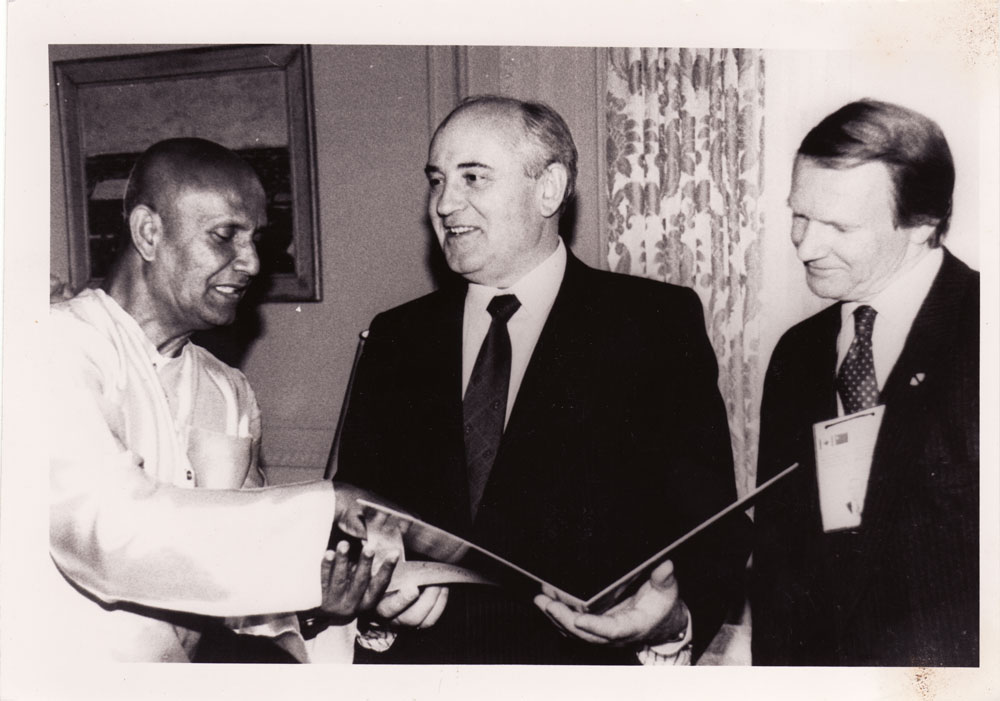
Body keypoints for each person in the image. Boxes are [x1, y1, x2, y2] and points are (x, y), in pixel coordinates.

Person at [335, 96, 751, 664]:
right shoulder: (396, 336)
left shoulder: (652, 324)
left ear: (549, 189)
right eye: (437, 181)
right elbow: (356, 515)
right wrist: (373, 608)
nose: (445, 204)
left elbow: (710, 526)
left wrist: (674, 620)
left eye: (473, 177)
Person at [48, 138, 409, 663]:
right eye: (225, 236)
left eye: (256, 238)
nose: (253, 262)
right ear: (148, 233)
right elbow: (106, 534)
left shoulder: (227, 388)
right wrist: (325, 501)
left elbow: (240, 595)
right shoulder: (53, 345)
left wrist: (316, 602)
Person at [751, 100, 979, 666]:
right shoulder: (796, 354)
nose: (805, 246)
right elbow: (778, 574)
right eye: (800, 216)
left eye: (839, 226)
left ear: (922, 223)